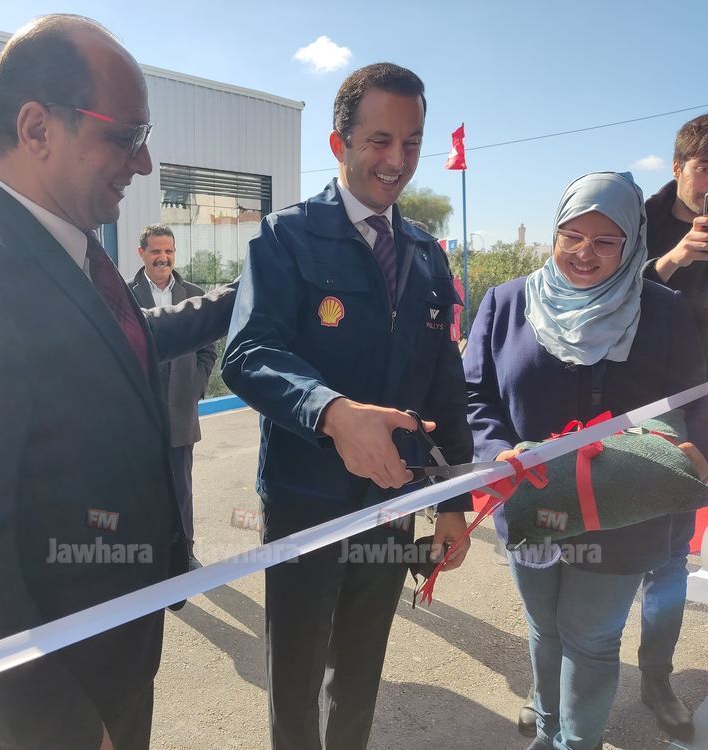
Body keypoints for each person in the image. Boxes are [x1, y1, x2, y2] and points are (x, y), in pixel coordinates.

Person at [0, 15, 234, 750]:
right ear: (38, 128)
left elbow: (128, 341)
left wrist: (247, 294)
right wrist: (62, 731)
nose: (143, 163)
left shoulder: (71, 250)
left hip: (107, 660)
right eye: (127, 136)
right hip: (33, 706)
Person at [222, 62, 474, 750]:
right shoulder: (286, 237)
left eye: (412, 143)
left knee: (361, 669)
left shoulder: (425, 256)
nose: (398, 160)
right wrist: (331, 413)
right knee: (296, 670)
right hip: (305, 501)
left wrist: (453, 499)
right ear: (339, 144)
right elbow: (248, 353)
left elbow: (444, 384)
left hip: (391, 500)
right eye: (379, 140)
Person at [464, 171, 708, 750]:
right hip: (531, 501)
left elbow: (699, 399)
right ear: (554, 233)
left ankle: (574, 743)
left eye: (606, 241)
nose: (585, 253)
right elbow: (475, 393)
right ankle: (547, 728)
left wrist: (700, 452)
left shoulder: (662, 310)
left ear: (632, 243)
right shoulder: (507, 302)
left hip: (621, 509)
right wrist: (497, 451)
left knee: (592, 638)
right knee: (544, 626)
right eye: (572, 236)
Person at [638, 113, 708, 740]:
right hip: (626, 408)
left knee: (670, 557)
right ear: (677, 166)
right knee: (585, 546)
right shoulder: (632, 216)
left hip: (706, 413)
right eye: (704, 166)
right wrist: (674, 259)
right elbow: (594, 295)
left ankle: (656, 678)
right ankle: (563, 681)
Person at [129, 224, 217, 570]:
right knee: (143, 489)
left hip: (181, 411)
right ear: (142, 254)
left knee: (182, 490)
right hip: (140, 416)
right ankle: (148, 556)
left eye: (168, 251)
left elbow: (208, 350)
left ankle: (185, 554)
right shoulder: (124, 295)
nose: (163, 258)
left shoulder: (194, 294)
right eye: (155, 251)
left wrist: (195, 387)